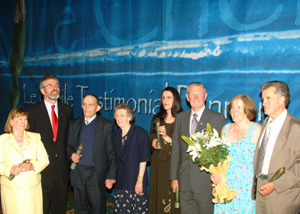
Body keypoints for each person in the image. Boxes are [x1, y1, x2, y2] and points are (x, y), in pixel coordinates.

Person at [170, 82, 225, 214]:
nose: (195, 97)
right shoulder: (180, 118)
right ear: (187, 97)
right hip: (184, 181)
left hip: (205, 182)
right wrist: (174, 178)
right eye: (192, 94)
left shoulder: (217, 118)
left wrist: (218, 181)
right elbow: (176, 149)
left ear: (205, 96)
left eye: (199, 94)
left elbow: (221, 153)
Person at [27, 74, 73, 214]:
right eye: (50, 85)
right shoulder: (32, 112)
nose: (55, 88)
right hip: (42, 170)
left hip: (62, 169)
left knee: (59, 207)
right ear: (42, 90)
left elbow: (69, 139)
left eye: (57, 85)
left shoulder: (67, 110)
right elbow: (29, 142)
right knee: (41, 207)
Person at [252, 81, 300, 214]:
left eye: (268, 98)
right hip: (261, 189)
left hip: (283, 195)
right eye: (262, 99)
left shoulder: (296, 127)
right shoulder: (267, 123)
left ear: (281, 99)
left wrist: (275, 185)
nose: (263, 103)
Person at [211, 95, 262, 213]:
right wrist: (215, 179)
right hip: (225, 185)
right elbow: (219, 160)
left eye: (238, 107)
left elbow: (264, 161)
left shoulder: (256, 129)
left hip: (246, 187)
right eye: (232, 107)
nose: (234, 110)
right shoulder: (225, 128)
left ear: (247, 110)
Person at [67, 94, 116, 214]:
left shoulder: (107, 126)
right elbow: (69, 146)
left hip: (96, 173)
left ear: (97, 108)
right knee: (80, 208)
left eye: (90, 104)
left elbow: (111, 154)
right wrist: (71, 154)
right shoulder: (74, 124)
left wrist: (111, 176)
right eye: (84, 104)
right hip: (78, 173)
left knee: (98, 208)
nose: (86, 107)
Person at [0, 108, 49, 214]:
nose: (23, 122)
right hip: (11, 189)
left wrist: (32, 166)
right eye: (20, 119)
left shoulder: (35, 138)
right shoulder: (2, 140)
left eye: (25, 119)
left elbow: (45, 159)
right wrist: (9, 169)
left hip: (32, 189)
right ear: (11, 121)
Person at [148, 87, 183, 214]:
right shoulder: (157, 118)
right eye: (163, 98)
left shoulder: (182, 119)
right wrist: (153, 142)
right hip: (158, 164)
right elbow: (151, 136)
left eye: (169, 97)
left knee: (171, 200)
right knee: (157, 197)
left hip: (173, 166)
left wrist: (167, 138)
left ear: (176, 100)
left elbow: (185, 146)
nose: (165, 100)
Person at [113, 103, 151, 214]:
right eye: (116, 115)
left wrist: (139, 181)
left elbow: (143, 160)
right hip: (121, 182)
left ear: (130, 117)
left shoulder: (140, 133)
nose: (118, 118)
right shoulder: (115, 135)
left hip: (135, 182)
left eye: (122, 115)